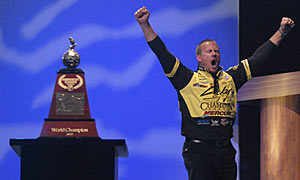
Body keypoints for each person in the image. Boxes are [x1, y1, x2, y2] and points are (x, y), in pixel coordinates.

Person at [134, 6, 295, 180]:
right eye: (209, 51)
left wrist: (282, 32)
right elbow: (162, 53)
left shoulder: (231, 77)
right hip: (199, 151)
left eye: (217, 51)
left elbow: (258, 59)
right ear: (199, 57)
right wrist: (145, 25)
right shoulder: (186, 78)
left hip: (225, 152)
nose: (214, 54)